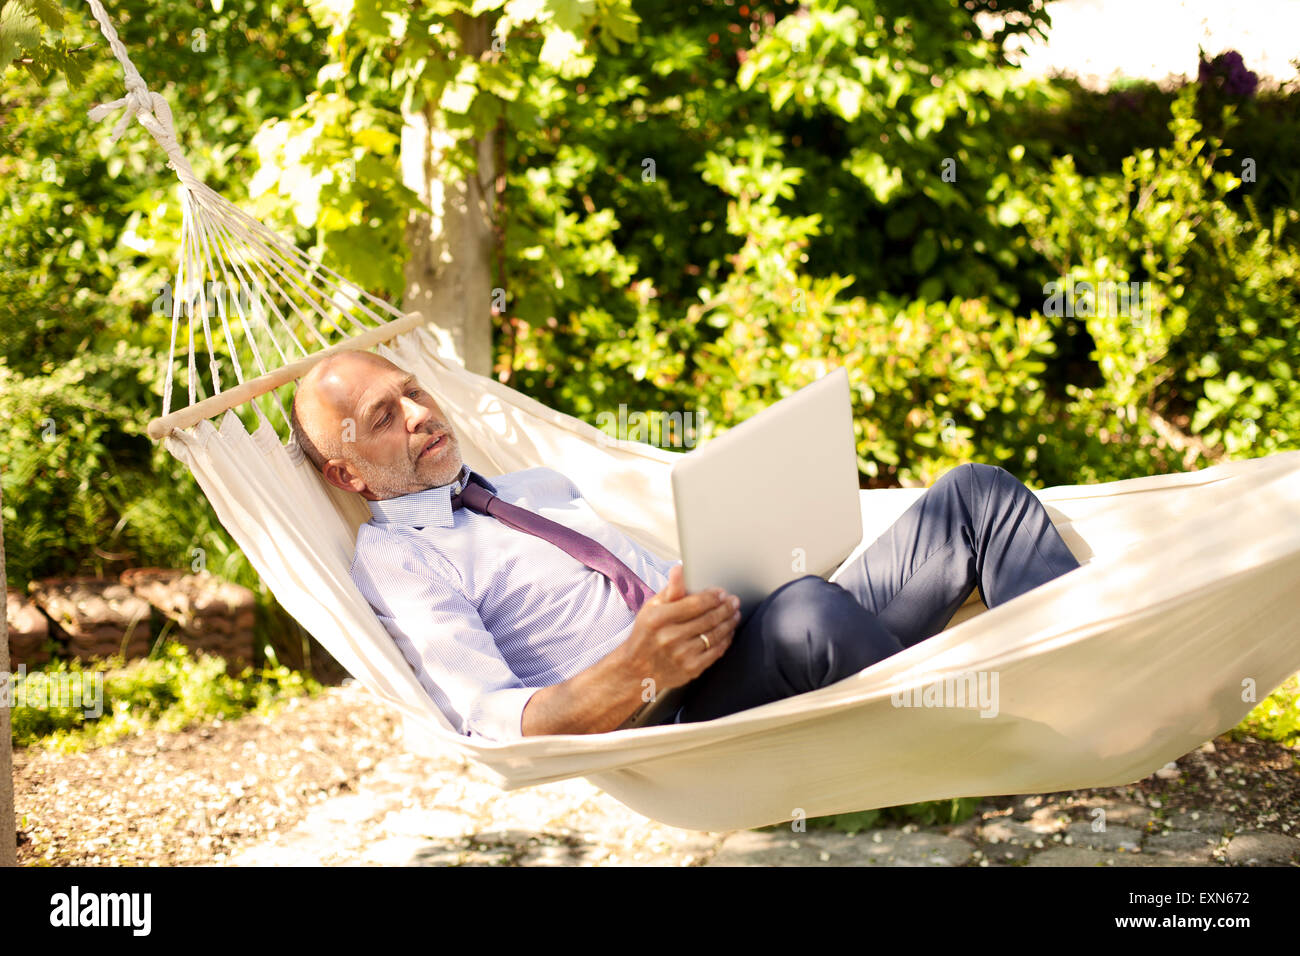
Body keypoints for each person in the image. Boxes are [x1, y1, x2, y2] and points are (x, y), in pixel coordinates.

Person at [290, 350, 1081, 741]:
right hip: (671, 719)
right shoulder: (400, 561)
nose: (420, 415)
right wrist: (637, 669)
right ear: (348, 477)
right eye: (384, 418)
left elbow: (653, 578)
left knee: (973, 496)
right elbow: (493, 719)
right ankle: (1012, 739)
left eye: (412, 392)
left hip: (747, 635)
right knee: (807, 612)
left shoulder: (531, 486)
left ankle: (1087, 671)